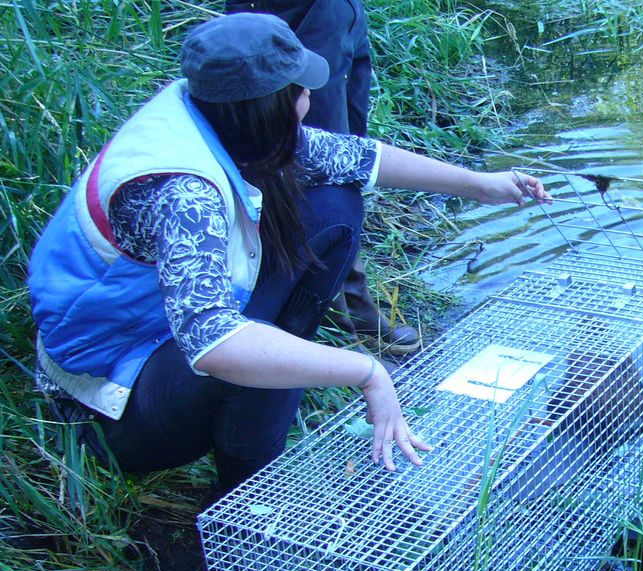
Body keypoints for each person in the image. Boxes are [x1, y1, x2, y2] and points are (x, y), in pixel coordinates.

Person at [26, 13, 549, 499]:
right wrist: (365, 371)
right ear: (274, 104)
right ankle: (244, 496)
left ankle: (265, 398)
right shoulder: (184, 191)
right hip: (107, 403)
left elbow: (355, 157)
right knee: (261, 359)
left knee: (334, 204)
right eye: (301, 91)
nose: (308, 99)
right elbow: (214, 346)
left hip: (161, 332)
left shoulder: (214, 113)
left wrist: (483, 187)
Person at [226, 0, 420, 355]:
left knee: (348, 145)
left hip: (340, 11)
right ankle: (325, 316)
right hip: (291, 10)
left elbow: (359, 157)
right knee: (312, 163)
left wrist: (482, 185)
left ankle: (353, 297)